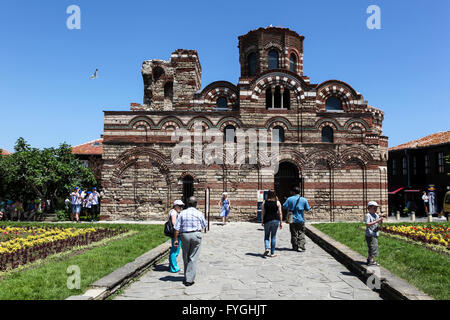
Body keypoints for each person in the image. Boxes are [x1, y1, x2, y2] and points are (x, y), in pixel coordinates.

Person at [173, 196, 207, 286]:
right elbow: (204, 225)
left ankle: (187, 276)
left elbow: (176, 227)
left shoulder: (182, 213)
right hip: (196, 235)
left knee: (185, 256)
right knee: (193, 257)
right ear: (196, 204)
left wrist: (176, 240)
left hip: (185, 236)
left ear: (188, 204)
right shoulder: (199, 213)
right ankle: (189, 279)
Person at [282, 186, 310, 252]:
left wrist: (290, 206)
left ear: (293, 192)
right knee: (301, 232)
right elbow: (307, 209)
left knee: (293, 233)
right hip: (301, 219)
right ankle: (301, 246)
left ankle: (295, 246)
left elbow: (284, 207)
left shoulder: (289, 199)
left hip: (292, 219)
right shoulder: (304, 199)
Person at [261, 190, 283, 257]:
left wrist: (262, 221)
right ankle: (272, 253)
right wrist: (281, 222)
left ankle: (267, 248)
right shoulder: (278, 203)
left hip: (267, 220)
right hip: (275, 220)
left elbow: (262, 213)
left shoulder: (264, 202)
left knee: (266, 236)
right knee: (273, 236)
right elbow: (280, 213)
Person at [365, 201, 385, 266]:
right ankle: (371, 260)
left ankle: (369, 259)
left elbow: (378, 223)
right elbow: (367, 224)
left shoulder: (376, 215)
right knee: (372, 247)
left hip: (375, 233)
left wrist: (381, 221)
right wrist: (377, 221)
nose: (376, 209)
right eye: (374, 208)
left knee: (374, 247)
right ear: (369, 208)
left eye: (376, 208)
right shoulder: (368, 215)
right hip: (370, 234)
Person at [168, 200, 184, 273]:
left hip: (175, 233)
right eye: (179, 206)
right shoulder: (174, 212)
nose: (181, 207)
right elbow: (174, 223)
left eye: (182, 206)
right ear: (175, 206)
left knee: (175, 250)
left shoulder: (173, 211)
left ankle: (172, 266)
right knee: (175, 251)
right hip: (176, 234)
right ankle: (174, 268)